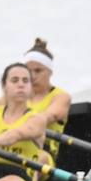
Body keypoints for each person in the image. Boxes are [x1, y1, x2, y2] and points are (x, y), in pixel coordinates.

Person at [24, 37, 71, 167]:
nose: (32, 76)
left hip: (43, 152)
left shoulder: (61, 97)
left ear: (50, 72)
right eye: (28, 71)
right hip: (13, 146)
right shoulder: (17, 95)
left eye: (38, 71)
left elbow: (49, 117)